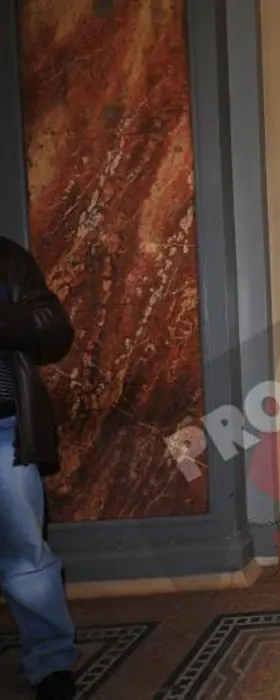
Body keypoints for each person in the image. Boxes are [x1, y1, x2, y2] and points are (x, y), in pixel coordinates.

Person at [0, 236, 78, 700]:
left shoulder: (6, 258)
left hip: (4, 430)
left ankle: (51, 664)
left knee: (25, 552)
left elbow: (55, 333)